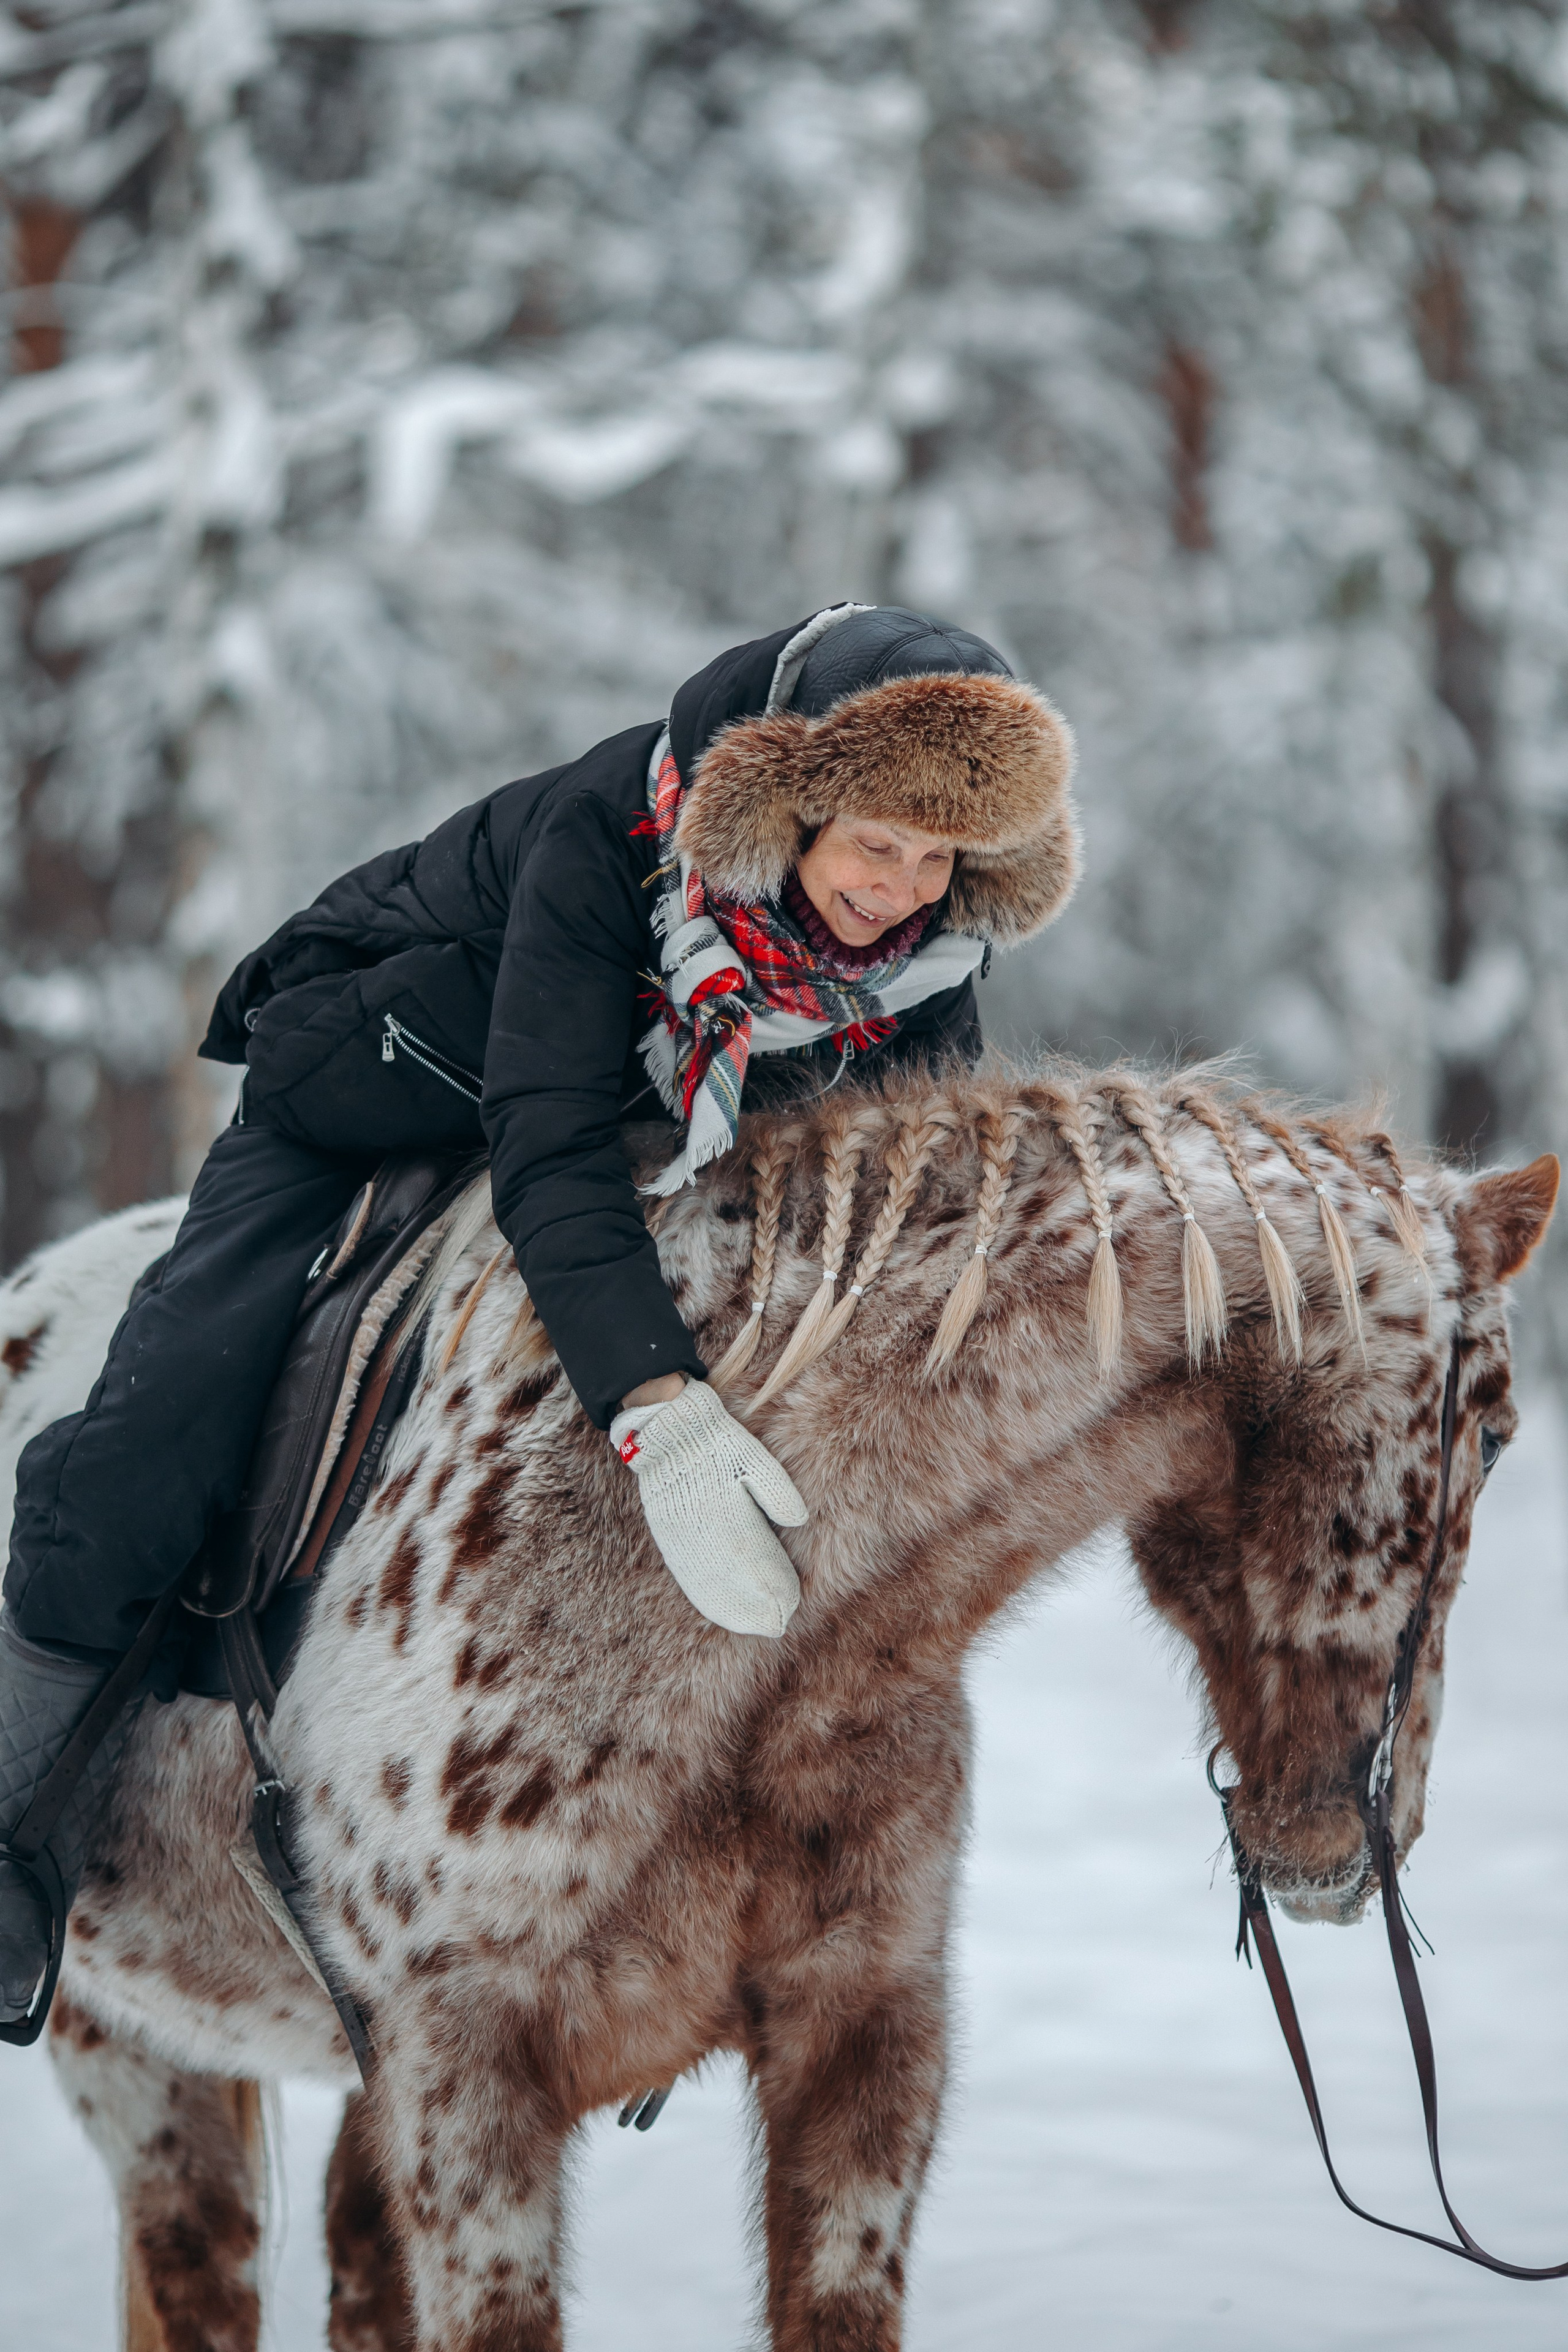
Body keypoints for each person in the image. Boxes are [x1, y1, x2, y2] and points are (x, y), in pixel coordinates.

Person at [0, 602, 1078, 2025]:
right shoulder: (608, 835)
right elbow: (550, 1142)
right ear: (791, 810)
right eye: (876, 843)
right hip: (374, 1098)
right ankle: (20, 1835)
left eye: (939, 859)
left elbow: (903, 1199)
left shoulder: (926, 956)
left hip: (634, 1142)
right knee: (157, 1438)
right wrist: (658, 1410)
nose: (899, 891)